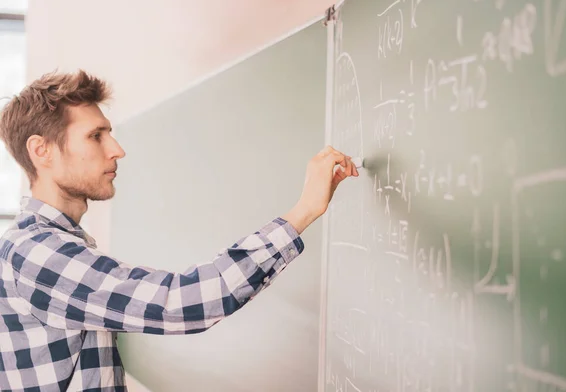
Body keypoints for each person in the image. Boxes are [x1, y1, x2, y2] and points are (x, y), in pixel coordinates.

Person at [0, 70, 359, 391]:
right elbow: (184, 301)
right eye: (96, 136)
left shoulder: (42, 244)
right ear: (41, 150)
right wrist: (304, 211)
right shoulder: (38, 253)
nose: (117, 150)